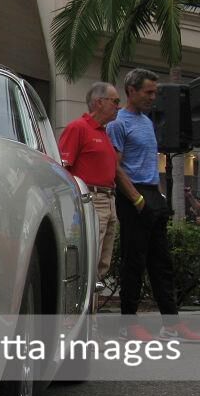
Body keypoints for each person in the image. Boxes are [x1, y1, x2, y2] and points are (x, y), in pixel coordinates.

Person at [107, 68, 199, 341]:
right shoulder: (117, 123)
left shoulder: (147, 122)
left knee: (162, 263)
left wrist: (157, 197)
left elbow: (148, 165)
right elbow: (115, 167)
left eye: (155, 93)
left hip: (151, 194)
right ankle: (128, 324)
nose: (152, 97)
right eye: (148, 92)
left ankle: (171, 324)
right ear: (131, 91)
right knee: (134, 262)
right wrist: (136, 199)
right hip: (132, 196)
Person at [58, 82, 120, 285]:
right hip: (91, 199)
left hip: (108, 200)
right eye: (115, 101)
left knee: (101, 263)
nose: (118, 106)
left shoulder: (102, 132)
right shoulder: (78, 128)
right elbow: (62, 168)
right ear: (99, 102)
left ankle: (92, 300)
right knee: (90, 260)